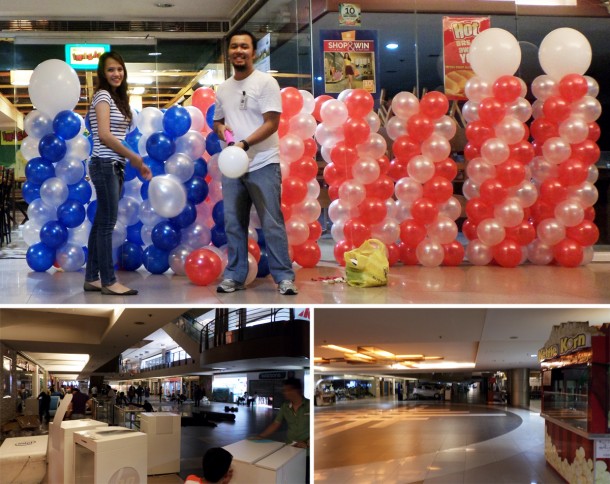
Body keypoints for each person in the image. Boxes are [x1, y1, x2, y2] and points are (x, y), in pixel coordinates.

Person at [213, 30, 297, 296]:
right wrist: (222, 130)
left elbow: (272, 123)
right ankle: (235, 276)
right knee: (234, 223)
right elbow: (218, 121)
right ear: (229, 52)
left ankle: (284, 277)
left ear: (253, 52)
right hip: (232, 166)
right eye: (235, 46)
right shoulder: (224, 88)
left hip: (263, 162)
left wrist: (244, 145)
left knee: (272, 222)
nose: (239, 51)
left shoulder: (265, 83)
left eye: (244, 47)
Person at [84, 51, 151, 296]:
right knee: (106, 225)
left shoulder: (116, 98)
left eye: (119, 69)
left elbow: (118, 136)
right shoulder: (102, 96)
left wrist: (133, 160)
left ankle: (91, 277)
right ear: (103, 73)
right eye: (111, 70)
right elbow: (104, 134)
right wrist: (134, 157)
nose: (116, 74)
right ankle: (108, 281)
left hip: (113, 165)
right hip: (105, 164)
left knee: (101, 222)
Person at [251, 378, 309, 482]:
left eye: (287, 390)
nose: (284, 393)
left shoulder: (309, 406)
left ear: (296, 390)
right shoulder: (285, 407)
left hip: (307, 451)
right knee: (292, 477)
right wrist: (261, 436)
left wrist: (306, 443)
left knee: (306, 477)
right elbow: (276, 423)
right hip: (290, 448)